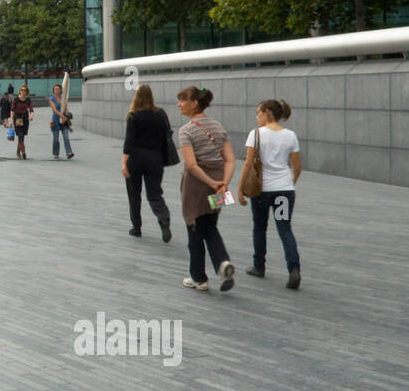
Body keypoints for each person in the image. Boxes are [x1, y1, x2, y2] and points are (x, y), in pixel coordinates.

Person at [238, 99, 303, 289]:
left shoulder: (256, 134)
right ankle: (294, 269)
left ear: (267, 112)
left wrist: (240, 188)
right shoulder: (290, 135)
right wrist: (290, 183)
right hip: (284, 191)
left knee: (260, 227)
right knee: (284, 228)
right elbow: (297, 167)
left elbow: (248, 164)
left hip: (261, 192)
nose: (257, 116)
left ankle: (259, 266)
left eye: (258, 113)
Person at [176, 86, 236, 292]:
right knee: (211, 225)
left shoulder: (186, 131)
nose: (179, 104)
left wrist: (210, 182)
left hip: (197, 187)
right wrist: (223, 183)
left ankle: (199, 278)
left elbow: (192, 165)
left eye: (182, 100)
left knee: (194, 228)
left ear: (194, 103)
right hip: (219, 186)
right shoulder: (219, 127)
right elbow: (230, 160)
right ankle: (222, 262)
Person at [121, 85, 173, 241]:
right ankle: (164, 219)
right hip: (155, 159)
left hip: (135, 159)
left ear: (136, 96)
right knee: (155, 194)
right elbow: (168, 133)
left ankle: (136, 228)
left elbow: (128, 142)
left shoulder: (133, 115)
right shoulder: (160, 113)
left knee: (134, 194)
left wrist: (124, 163)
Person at [47, 83, 73, 159]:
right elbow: (54, 110)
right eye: (55, 89)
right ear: (53, 91)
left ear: (61, 90)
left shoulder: (63, 98)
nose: (57, 90)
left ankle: (69, 152)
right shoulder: (51, 99)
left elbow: (66, 108)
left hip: (64, 120)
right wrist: (61, 115)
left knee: (66, 137)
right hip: (55, 120)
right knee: (56, 139)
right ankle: (56, 153)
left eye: (58, 89)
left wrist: (66, 117)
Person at [10, 84, 34, 159]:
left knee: (22, 136)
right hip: (17, 118)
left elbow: (31, 109)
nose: (23, 91)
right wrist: (11, 120)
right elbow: (12, 110)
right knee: (20, 135)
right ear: (19, 91)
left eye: (25, 90)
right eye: (22, 90)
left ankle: (18, 152)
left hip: (25, 119)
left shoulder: (28, 100)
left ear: (27, 92)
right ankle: (23, 151)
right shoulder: (16, 99)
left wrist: (31, 115)